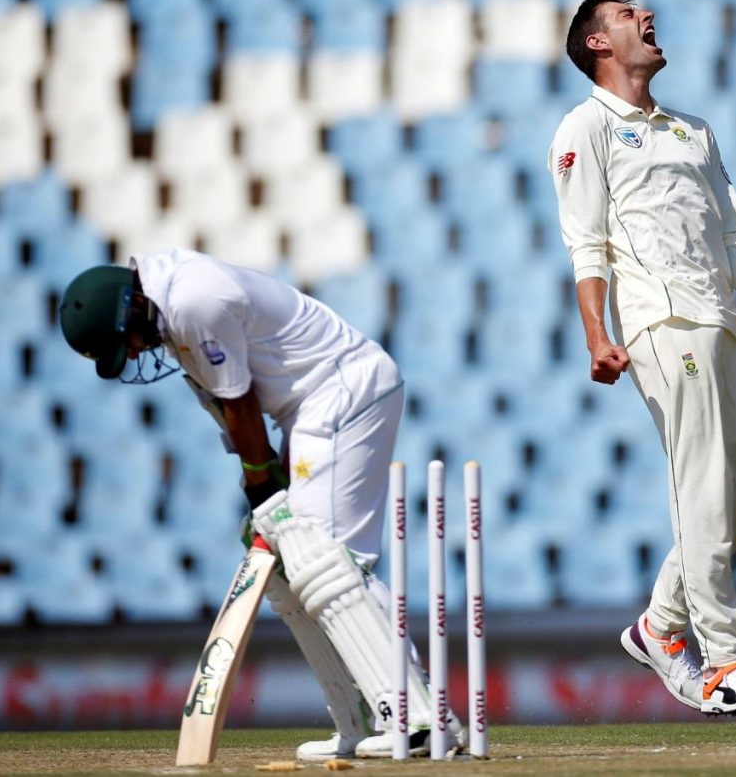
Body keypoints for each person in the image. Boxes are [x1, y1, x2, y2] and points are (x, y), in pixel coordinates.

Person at [58, 248, 459, 760]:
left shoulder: (192, 301)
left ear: (132, 307)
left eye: (128, 342)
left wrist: (263, 491)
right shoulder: (170, 309)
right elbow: (231, 411)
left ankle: (417, 720)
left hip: (343, 389)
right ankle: (359, 721)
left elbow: (240, 401)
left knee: (322, 560)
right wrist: (263, 487)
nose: (135, 354)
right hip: (309, 410)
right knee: (287, 569)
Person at [548, 0, 736, 716]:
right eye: (626, 14)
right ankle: (722, 661)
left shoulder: (692, 130)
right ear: (598, 43)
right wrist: (598, 335)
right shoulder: (585, 127)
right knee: (702, 488)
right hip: (660, 324)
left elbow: (732, 239)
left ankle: (657, 625)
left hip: (723, 322)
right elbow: (587, 245)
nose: (646, 17)